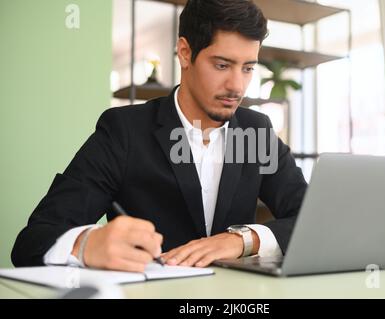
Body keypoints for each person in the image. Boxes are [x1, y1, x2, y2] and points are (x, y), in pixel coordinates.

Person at [12, 0, 307, 272]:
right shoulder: (123, 131)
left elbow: (312, 221)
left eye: (248, 68)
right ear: (185, 52)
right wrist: (87, 244)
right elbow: (34, 241)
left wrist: (242, 240)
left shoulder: (257, 132)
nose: (237, 86)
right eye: (222, 65)